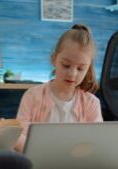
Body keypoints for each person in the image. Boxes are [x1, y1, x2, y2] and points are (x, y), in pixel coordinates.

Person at [15, 24, 103, 152]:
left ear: (88, 68)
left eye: (80, 68)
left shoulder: (92, 103)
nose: (72, 73)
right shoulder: (33, 96)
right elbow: (19, 136)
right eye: (66, 65)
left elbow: (98, 141)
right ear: (53, 59)